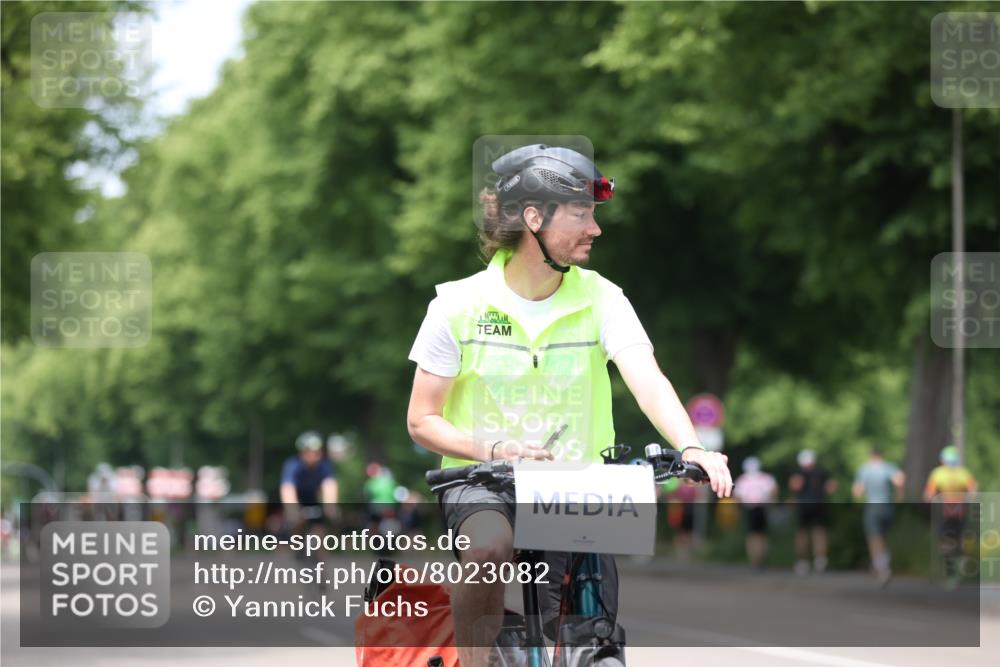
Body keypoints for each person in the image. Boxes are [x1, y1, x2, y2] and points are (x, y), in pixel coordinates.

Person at [406, 143, 733, 667]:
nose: (594, 229)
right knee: (488, 547)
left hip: (577, 483)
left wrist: (692, 446)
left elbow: (646, 378)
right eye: (580, 215)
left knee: (586, 625)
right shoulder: (457, 306)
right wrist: (494, 447)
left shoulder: (603, 298)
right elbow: (421, 420)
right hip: (482, 480)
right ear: (534, 218)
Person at [924, 445, 978, 581]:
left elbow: (928, 494)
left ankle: (951, 568)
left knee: (945, 539)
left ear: (943, 460)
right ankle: (958, 565)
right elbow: (973, 490)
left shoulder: (938, 473)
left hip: (946, 511)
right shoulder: (963, 472)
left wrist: (928, 502)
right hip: (960, 511)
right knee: (958, 539)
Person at [852, 448, 905, 586]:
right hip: (888, 506)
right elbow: (899, 481)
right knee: (884, 535)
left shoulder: (865, 469)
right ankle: (882, 562)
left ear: (870, 456)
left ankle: (881, 568)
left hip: (873, 506)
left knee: (874, 537)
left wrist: (858, 501)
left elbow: (857, 490)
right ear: (881, 455)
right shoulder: (888, 467)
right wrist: (899, 497)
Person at [789, 449, 837, 575]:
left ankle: (803, 562)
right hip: (819, 504)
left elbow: (795, 486)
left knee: (802, 533)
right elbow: (832, 488)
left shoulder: (798, 473)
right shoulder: (822, 472)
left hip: (803, 505)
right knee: (819, 532)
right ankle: (820, 561)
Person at [280, 431, 339, 532]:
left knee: (320, 532)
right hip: (296, 498)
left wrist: (330, 505)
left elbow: (329, 485)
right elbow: (287, 488)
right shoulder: (292, 465)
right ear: (302, 453)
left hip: (312, 499)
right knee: (296, 526)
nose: (315, 455)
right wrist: (292, 508)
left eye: (318, 452)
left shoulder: (325, 465)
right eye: (310, 452)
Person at [733, 456, 778, 569]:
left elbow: (737, 496)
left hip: (750, 508)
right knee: (762, 535)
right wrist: (771, 504)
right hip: (762, 508)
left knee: (752, 536)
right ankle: (761, 558)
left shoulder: (742, 479)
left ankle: (754, 559)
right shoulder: (766, 478)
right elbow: (773, 490)